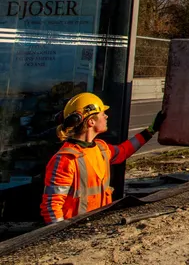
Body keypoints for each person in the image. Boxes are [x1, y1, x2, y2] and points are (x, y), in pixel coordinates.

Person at [40, 92, 165, 224]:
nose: (106, 116)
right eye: (102, 113)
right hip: (75, 232)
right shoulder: (66, 159)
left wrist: (151, 130)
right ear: (91, 121)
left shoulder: (101, 149)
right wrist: (60, 236)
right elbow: (51, 208)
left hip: (98, 225)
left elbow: (124, 150)